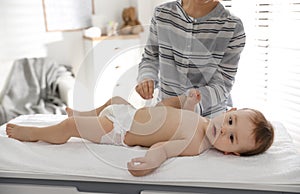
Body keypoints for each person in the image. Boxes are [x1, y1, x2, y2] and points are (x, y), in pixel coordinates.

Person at [6, 89, 274, 177]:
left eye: (231, 136)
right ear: (230, 109)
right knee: (115, 99)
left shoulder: (196, 144)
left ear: (231, 152)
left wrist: (150, 162)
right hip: (130, 114)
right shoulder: (202, 118)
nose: (224, 128)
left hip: (121, 131)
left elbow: (164, 149)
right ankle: (84, 114)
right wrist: (185, 100)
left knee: (70, 128)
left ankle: (34, 133)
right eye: (230, 120)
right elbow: (164, 108)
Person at [136, 0, 246, 117]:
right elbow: (150, 58)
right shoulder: (162, 14)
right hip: (167, 114)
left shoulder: (233, 27)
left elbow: (222, 85)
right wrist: (146, 78)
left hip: (208, 120)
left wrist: (185, 102)